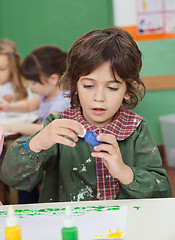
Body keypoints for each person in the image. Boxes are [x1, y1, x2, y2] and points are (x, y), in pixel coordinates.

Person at [1, 27, 172, 202]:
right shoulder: (57, 126)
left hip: (123, 226)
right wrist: (36, 143)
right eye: (89, 86)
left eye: (112, 87)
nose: (99, 98)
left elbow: (162, 193)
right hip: (68, 227)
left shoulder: (136, 130)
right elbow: (12, 178)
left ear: (128, 90)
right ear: (74, 86)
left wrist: (124, 172)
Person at [0, 45, 70, 136]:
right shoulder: (48, 94)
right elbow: (29, 106)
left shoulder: (60, 102)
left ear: (53, 79)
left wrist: (12, 127)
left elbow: (44, 128)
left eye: (33, 82)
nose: (30, 86)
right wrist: (9, 107)